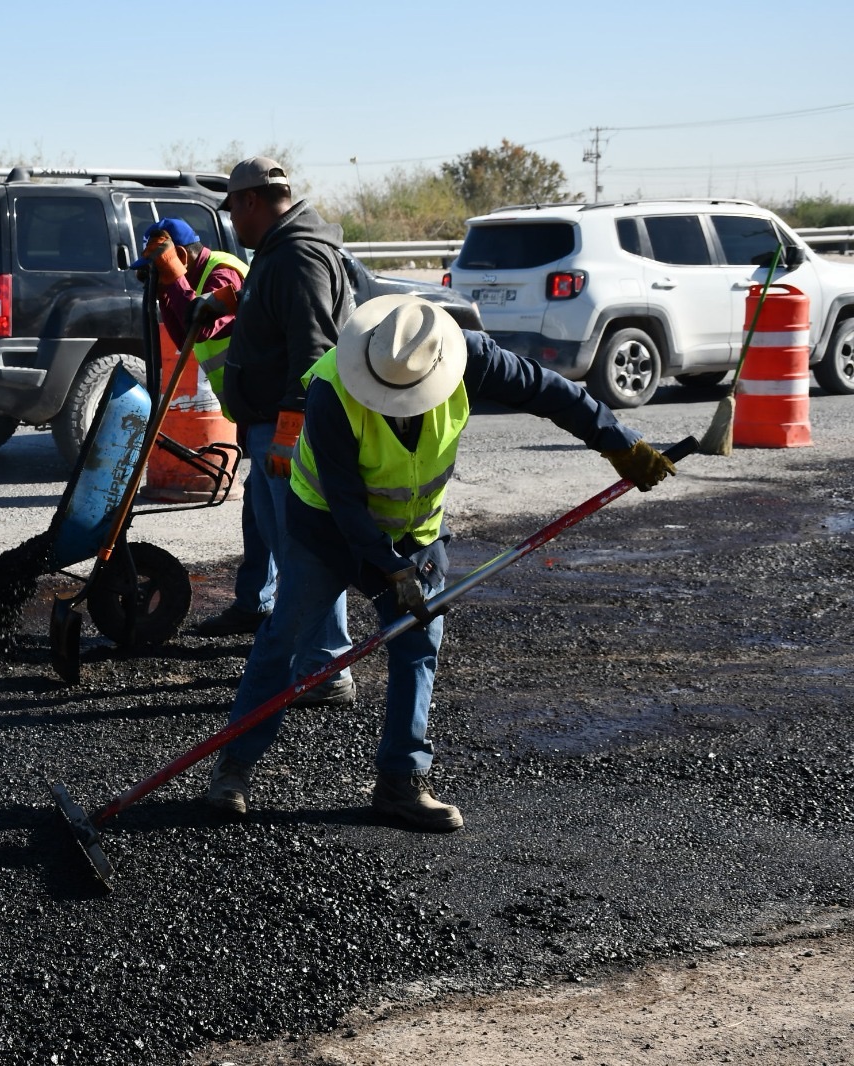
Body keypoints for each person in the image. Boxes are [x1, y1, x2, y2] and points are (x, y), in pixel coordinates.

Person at [202, 294, 677, 828]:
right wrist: (390, 569)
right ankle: (235, 766)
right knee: (285, 639)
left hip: (416, 532)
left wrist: (620, 443)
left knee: (417, 647)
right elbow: (344, 500)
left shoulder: (472, 357)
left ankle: (401, 782)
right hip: (328, 530)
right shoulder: (332, 389)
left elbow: (553, 393)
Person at [193, 156, 357, 701]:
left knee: (306, 550)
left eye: (234, 208)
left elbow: (313, 353)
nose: (232, 221)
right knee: (291, 552)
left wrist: (288, 434)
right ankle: (307, 658)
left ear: (251, 201)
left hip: (290, 431)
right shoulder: (278, 254)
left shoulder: (297, 257)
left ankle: (327, 668)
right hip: (268, 427)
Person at [129, 217, 273, 635]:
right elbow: (184, 336)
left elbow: (205, 322)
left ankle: (286, 617)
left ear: (184, 254)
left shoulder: (224, 272)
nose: (159, 275)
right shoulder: (187, 281)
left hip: (271, 409)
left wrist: (173, 278)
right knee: (258, 512)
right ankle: (256, 604)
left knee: (276, 519)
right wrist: (165, 291)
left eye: (163, 265)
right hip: (249, 411)